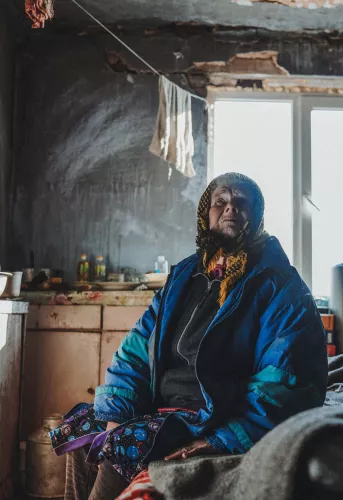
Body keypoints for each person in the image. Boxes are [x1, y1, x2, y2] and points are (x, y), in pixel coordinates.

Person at [52, 173, 328, 500]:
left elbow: (286, 376)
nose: (230, 208)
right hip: (160, 408)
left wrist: (220, 439)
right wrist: (116, 414)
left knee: (120, 448)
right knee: (80, 434)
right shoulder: (185, 275)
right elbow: (137, 348)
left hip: (210, 417)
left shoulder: (280, 284)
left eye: (241, 202)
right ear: (205, 215)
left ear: (258, 217)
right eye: (220, 202)